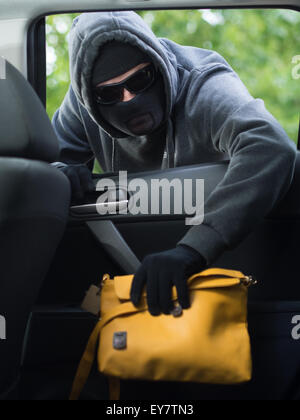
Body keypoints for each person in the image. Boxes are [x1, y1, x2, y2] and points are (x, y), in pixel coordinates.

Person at [52, 11, 297, 316]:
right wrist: (60, 173)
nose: (129, 99)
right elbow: (45, 159)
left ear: (157, 65)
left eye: (141, 79)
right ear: (92, 95)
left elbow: (270, 145)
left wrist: (194, 248)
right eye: (111, 93)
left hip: (225, 254)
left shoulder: (202, 84)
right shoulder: (85, 101)